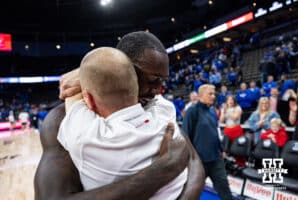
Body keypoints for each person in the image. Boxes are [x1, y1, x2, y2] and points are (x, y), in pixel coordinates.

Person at [35, 31, 205, 200]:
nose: (158, 90)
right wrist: (164, 169)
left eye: (162, 81)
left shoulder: (156, 106)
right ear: (127, 69)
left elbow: (193, 161)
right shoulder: (61, 119)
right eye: (152, 80)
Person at [58, 47, 188, 199]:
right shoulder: (165, 111)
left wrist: (87, 74)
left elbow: (69, 92)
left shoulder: (87, 137)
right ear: (136, 85)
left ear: (89, 100)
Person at [183, 84, 233, 200]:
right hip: (199, 162)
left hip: (216, 159)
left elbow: (214, 133)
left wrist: (221, 150)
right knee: (191, 194)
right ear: (201, 95)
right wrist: (192, 161)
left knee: (225, 191)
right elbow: (186, 137)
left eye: (214, 94)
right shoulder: (191, 112)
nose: (213, 96)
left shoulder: (211, 111)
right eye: (210, 94)